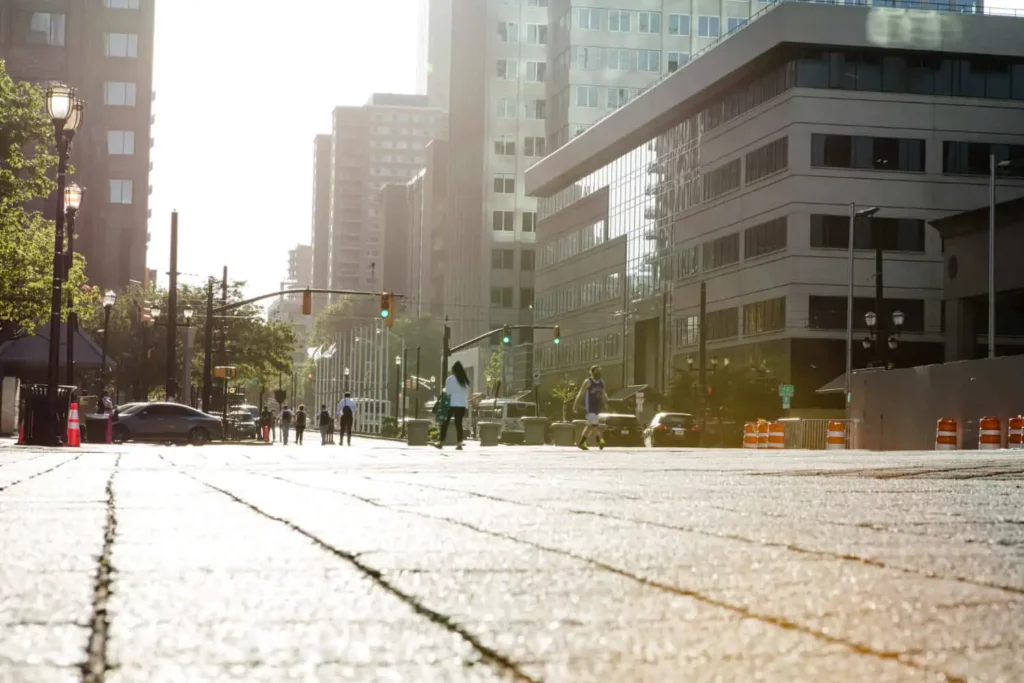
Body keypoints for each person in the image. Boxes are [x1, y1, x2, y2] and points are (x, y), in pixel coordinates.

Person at [434, 361, 470, 451]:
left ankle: (441, 442)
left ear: (454, 370)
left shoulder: (450, 379)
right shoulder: (465, 380)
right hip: (461, 404)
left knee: (445, 423)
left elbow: (448, 392)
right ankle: (459, 443)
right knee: (459, 424)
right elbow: (467, 393)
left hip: (451, 404)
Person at [573, 365, 606, 450]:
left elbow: (603, 394)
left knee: (590, 426)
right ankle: (599, 441)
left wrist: (606, 402)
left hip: (597, 408)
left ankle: (581, 443)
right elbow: (580, 394)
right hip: (589, 408)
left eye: (599, 371)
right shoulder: (588, 382)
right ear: (592, 372)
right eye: (596, 371)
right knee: (594, 425)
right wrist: (575, 405)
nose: (598, 373)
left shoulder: (602, 382)